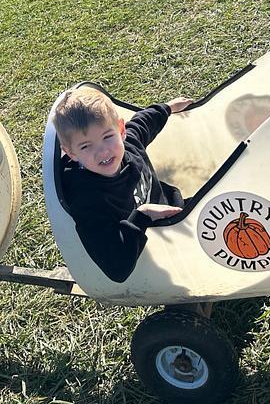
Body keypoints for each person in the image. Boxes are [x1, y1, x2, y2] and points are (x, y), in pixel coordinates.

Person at [52, 86, 193, 283]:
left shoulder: (130, 145)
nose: (103, 152)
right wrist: (143, 215)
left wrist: (168, 107)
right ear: (71, 153)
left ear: (121, 130)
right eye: (86, 146)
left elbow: (144, 122)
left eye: (107, 137)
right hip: (154, 253)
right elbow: (117, 269)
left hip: (179, 213)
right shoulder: (86, 200)